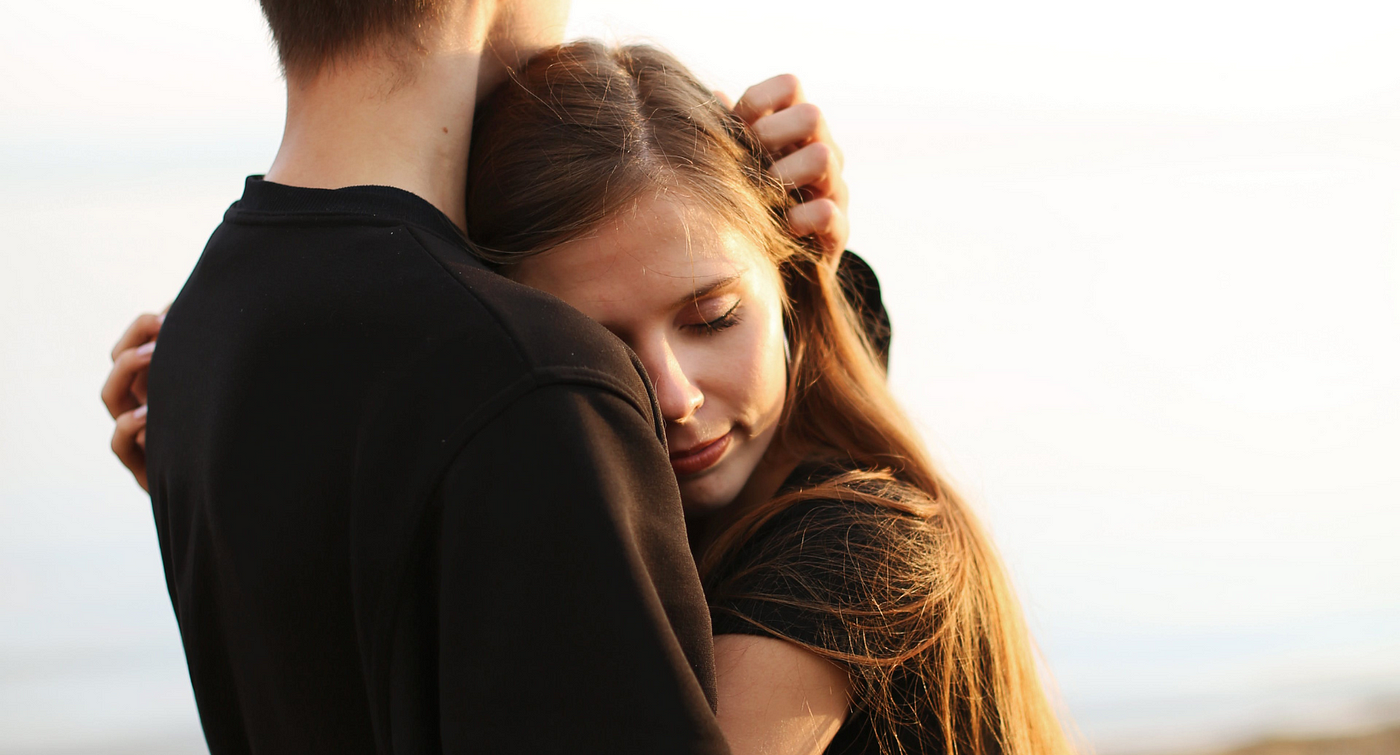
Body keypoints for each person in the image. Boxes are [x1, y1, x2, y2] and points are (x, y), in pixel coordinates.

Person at [107, 39, 1074, 753]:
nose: (674, 395)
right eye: (596, 347)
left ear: (790, 284)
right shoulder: (626, 515)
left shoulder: (858, 540)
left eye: (712, 317)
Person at [95, 0, 842, 753]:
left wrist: (808, 286)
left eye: (716, 317)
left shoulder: (196, 344)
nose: (672, 395)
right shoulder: (536, 377)